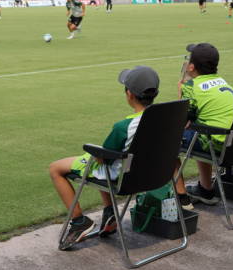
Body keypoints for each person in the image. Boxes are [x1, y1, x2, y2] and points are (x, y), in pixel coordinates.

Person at [49, 66, 160, 250]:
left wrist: (96, 153)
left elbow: (104, 158)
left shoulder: (124, 126)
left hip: (124, 175)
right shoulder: (165, 117)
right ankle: (110, 213)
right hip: (152, 173)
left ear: (129, 94)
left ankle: (79, 222)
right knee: (106, 162)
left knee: (56, 168)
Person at [174, 43, 233, 207]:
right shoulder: (224, 82)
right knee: (202, 128)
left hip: (218, 146)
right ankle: (206, 190)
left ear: (191, 67)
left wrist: (180, 93)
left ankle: (181, 197)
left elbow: (181, 120)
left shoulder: (191, 87)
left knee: (168, 138)